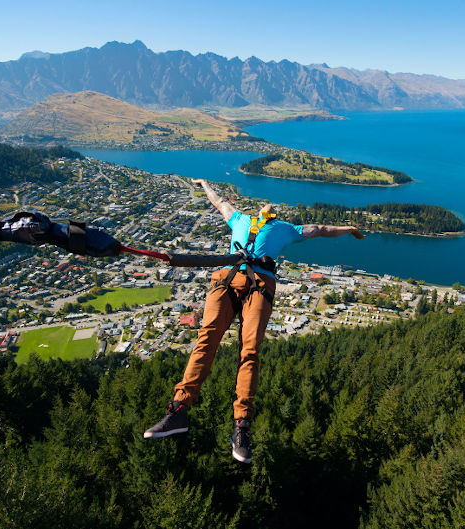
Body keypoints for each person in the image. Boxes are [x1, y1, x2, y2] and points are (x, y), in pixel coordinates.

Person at [144, 178, 365, 463]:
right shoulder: (241, 218)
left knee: (249, 349)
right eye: (266, 205)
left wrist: (349, 229)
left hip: (258, 283)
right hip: (228, 279)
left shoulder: (285, 228)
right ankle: (178, 411)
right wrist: (203, 183)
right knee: (207, 337)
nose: (268, 206)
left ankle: (242, 425)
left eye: (270, 207)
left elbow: (321, 229)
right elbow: (219, 202)